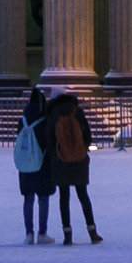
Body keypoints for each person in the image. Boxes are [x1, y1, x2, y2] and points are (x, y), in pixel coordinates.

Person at [43, 89, 101, 245]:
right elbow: (87, 135)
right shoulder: (78, 113)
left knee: (64, 198)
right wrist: (82, 149)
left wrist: (55, 156)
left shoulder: (53, 115)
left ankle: (67, 235)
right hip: (79, 160)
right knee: (83, 196)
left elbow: (49, 141)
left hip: (60, 162)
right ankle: (92, 232)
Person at [13, 88, 52, 245]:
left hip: (25, 164)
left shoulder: (22, 121)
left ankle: (29, 233)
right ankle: (42, 233)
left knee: (28, 199)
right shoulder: (45, 120)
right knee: (43, 198)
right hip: (41, 163)